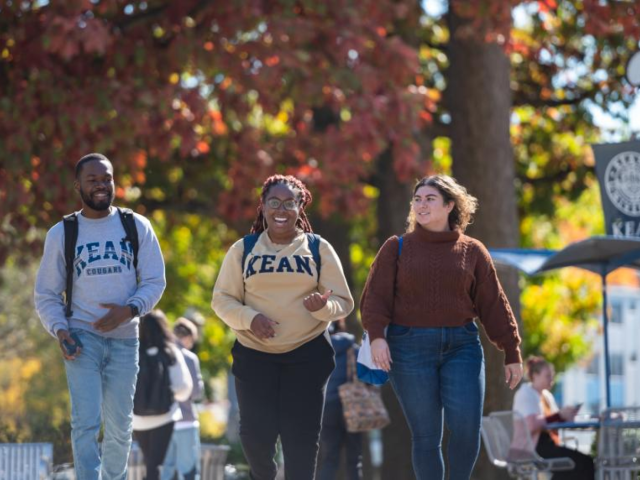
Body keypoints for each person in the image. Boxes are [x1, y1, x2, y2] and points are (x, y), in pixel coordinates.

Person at [361, 174, 524, 480]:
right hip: (408, 348)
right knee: (426, 436)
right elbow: (374, 298)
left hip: (462, 347)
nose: (421, 205)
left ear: (450, 205)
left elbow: (493, 304)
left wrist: (512, 351)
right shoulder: (395, 248)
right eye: (417, 199)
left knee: (466, 428)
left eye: (430, 199)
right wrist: (377, 338)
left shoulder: (473, 250)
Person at [211, 174, 354, 480]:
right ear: (262, 206)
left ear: (301, 206)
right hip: (254, 356)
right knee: (254, 438)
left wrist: (323, 308)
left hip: (307, 356)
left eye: (290, 203)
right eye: (274, 202)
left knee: (301, 441)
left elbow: (343, 301)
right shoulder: (244, 249)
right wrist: (251, 318)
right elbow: (222, 300)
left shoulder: (318, 248)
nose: (281, 209)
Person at [34, 153, 166, 480]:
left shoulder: (135, 225)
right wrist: (60, 331)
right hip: (81, 338)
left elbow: (154, 280)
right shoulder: (62, 233)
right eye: (92, 180)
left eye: (106, 178)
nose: (101, 185)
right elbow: (46, 294)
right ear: (78, 185)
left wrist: (130, 309)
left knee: (120, 426)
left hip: (125, 340)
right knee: (86, 423)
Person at [133, 310, 193, 480]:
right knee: (156, 464)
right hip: (165, 416)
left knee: (150, 461)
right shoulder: (170, 351)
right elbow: (184, 387)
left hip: (138, 418)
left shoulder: (132, 352)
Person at [513, 356, 595, 479]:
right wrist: (559, 415)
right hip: (532, 447)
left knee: (581, 463)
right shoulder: (525, 394)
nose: (551, 379)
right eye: (547, 376)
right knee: (583, 463)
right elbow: (531, 424)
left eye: (552, 375)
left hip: (547, 444)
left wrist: (567, 415)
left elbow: (553, 419)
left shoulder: (547, 396)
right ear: (535, 375)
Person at [317, 320, 363, 480]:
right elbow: (367, 377)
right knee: (354, 459)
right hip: (353, 406)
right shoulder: (354, 350)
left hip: (327, 407)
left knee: (329, 458)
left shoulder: (319, 350)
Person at [161, 317, 205, 480]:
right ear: (188, 337)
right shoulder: (190, 358)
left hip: (164, 421)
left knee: (165, 469)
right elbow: (196, 392)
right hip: (186, 420)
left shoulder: (163, 355)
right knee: (188, 470)